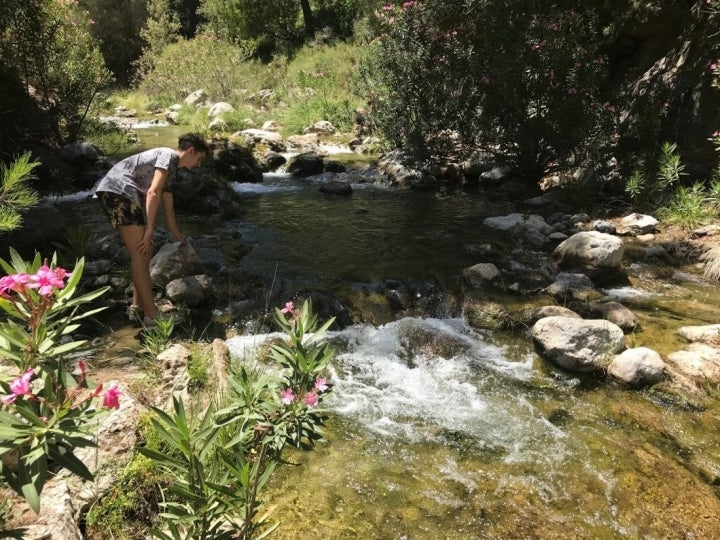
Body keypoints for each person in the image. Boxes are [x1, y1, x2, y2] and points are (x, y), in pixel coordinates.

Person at [95, 132, 209, 325]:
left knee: (143, 252)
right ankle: (152, 315)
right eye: (199, 158)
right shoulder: (168, 155)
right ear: (191, 151)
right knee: (140, 253)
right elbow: (153, 191)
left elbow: (168, 206)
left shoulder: (172, 170)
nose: (199, 165)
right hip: (120, 190)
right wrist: (149, 230)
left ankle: (137, 308)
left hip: (122, 193)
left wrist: (177, 234)